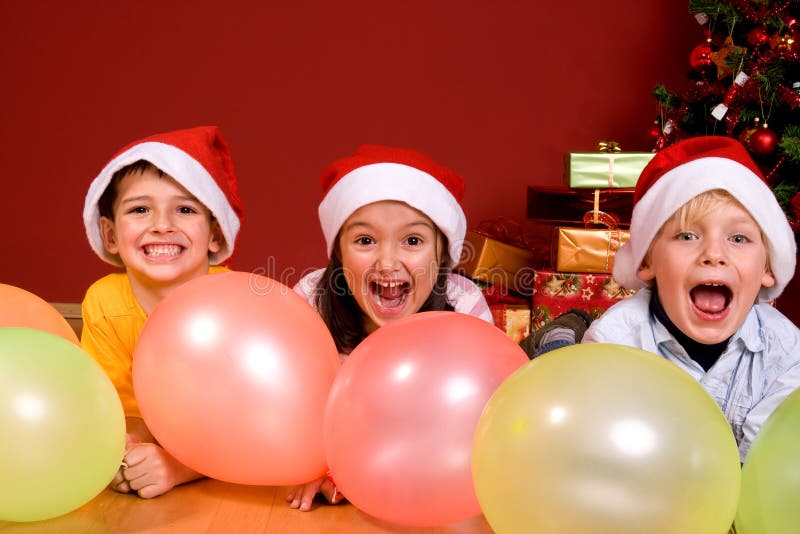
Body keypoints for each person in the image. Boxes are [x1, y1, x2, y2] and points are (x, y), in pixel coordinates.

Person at [288, 144, 493, 510]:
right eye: (365, 240)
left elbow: (467, 423)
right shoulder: (310, 302)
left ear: (441, 253)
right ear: (338, 253)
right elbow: (288, 405)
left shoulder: (464, 309)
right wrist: (318, 464)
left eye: (412, 241)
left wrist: (358, 470)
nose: (387, 262)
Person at [581, 135, 800, 462]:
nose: (714, 254)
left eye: (738, 238)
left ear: (767, 267)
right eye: (687, 236)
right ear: (646, 261)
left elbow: (769, 464)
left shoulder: (787, 352)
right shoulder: (612, 343)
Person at [80, 126, 245, 498]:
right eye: (140, 209)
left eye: (184, 209)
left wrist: (179, 467)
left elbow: (248, 423)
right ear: (110, 236)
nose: (162, 226)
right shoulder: (104, 304)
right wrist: (126, 451)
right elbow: (119, 408)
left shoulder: (235, 306)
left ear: (215, 235)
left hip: (222, 446)